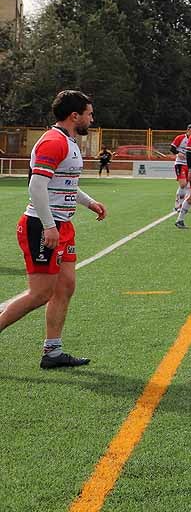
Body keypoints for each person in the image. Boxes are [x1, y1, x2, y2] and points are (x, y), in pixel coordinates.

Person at [0, 90, 107, 369]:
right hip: (41, 225)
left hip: (62, 225)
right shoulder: (52, 141)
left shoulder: (68, 141)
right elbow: (36, 186)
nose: (91, 119)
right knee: (40, 293)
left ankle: (53, 352)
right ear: (75, 115)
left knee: (65, 287)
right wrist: (49, 225)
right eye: (89, 114)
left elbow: (65, 182)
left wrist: (89, 202)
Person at [171, 124, 191, 211]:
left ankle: (180, 204)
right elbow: (172, 148)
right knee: (183, 184)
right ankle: (179, 204)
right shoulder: (180, 138)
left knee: (187, 185)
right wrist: (178, 153)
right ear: (187, 131)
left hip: (190, 165)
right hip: (180, 163)